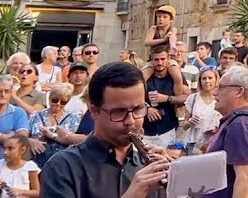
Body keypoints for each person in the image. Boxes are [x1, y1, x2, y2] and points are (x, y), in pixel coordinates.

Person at [39, 62, 171, 198]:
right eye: (119, 112)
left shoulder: (148, 167)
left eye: (138, 109)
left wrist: (175, 181)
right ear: (94, 111)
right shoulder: (62, 166)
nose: (131, 121)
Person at [202, 65, 248, 198]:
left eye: (221, 87)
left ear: (239, 91)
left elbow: (245, 178)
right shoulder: (244, 120)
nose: (215, 92)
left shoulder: (240, 124)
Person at [0, 133, 38, 198]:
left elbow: (37, 192)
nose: (5, 152)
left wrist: (22, 192)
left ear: (22, 150)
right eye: (4, 148)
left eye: (10, 148)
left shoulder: (30, 167)